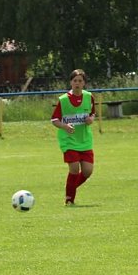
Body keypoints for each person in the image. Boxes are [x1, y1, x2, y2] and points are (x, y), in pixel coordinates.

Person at [51, 68, 96, 206]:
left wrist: (90, 119)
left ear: (84, 83)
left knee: (87, 172)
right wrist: (65, 126)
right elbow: (54, 120)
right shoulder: (64, 100)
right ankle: (69, 199)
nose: (77, 83)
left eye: (80, 81)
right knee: (74, 169)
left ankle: (70, 187)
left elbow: (92, 114)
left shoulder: (89, 97)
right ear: (71, 82)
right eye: (75, 80)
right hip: (69, 140)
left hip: (85, 140)